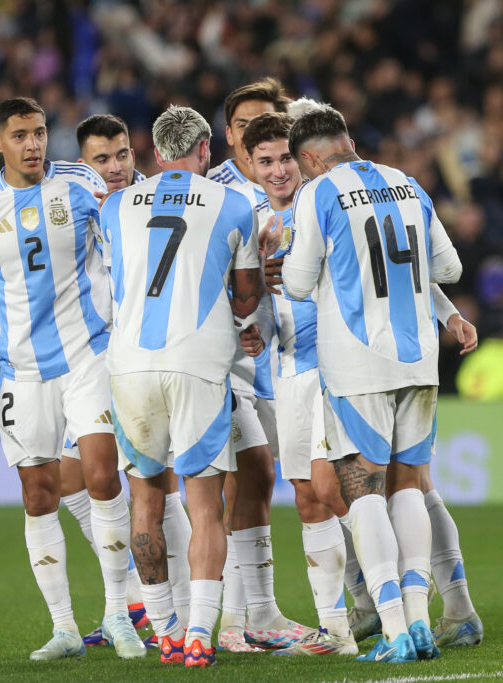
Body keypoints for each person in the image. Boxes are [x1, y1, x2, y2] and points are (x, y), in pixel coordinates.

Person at [0, 96, 144, 662]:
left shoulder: (81, 181)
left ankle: (121, 616)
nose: (33, 145)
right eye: (20, 135)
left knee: (102, 476)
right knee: (38, 494)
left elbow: (141, 214)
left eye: (40, 133)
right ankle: (65, 629)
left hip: (88, 357)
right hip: (22, 371)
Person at [282, 105, 462, 663]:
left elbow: (297, 279)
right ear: (348, 141)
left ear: (309, 159)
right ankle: (418, 622)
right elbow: (448, 269)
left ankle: (393, 630)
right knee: (409, 487)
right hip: (420, 361)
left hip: (356, 363)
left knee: (363, 492)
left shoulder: (318, 192)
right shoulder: (406, 182)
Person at [99, 105, 264, 668]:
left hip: (129, 365)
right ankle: (198, 635)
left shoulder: (115, 205)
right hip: (197, 362)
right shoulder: (233, 203)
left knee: (145, 499)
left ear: (152, 151)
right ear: (205, 151)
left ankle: (163, 628)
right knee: (205, 503)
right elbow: (247, 297)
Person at [72, 113, 193, 647]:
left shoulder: (152, 201)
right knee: (76, 480)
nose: (117, 166)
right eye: (103, 159)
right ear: (85, 164)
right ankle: (129, 601)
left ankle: (185, 612)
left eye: (122, 154)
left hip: (144, 357)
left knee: (157, 486)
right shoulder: (71, 205)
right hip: (82, 359)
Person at [241, 111, 356, 657]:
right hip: (288, 375)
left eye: (286, 157)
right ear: (250, 165)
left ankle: (391, 604)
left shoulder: (327, 204)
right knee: (309, 500)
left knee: (346, 493)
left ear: (303, 157)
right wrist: (253, 323)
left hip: (340, 368)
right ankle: (335, 632)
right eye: (265, 161)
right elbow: (257, 313)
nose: (278, 169)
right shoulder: (250, 223)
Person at [206, 77, 306, 653]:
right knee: (235, 483)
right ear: (230, 136)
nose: (255, 137)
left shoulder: (303, 187)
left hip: (288, 360)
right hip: (234, 359)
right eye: (244, 127)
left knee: (279, 484)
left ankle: (253, 617)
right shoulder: (214, 192)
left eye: (267, 124)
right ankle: (231, 619)